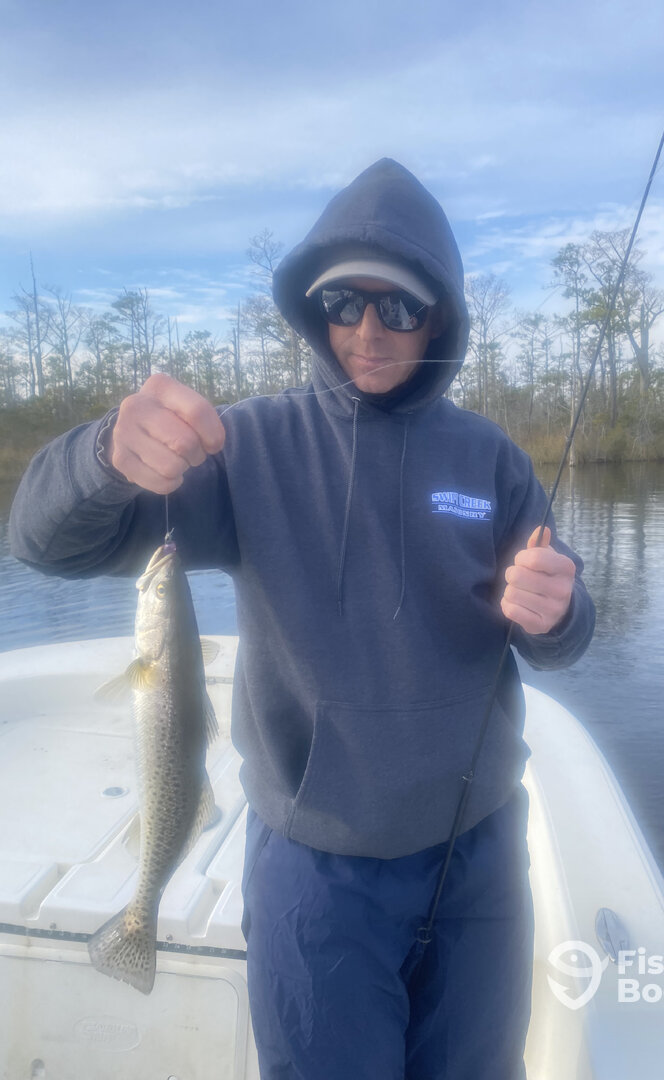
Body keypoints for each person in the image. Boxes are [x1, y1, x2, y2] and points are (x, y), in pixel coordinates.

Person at [10, 158, 595, 1079]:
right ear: (313, 310)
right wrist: (104, 457)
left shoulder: (491, 459)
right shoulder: (245, 446)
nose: (368, 329)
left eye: (398, 305)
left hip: (477, 850)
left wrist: (559, 613)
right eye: (343, 301)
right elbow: (47, 544)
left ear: (440, 316)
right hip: (317, 872)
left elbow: (564, 634)